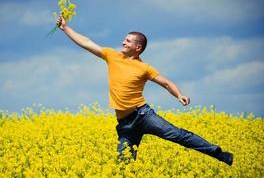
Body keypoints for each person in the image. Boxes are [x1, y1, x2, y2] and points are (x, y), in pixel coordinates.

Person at [56, 15, 233, 166]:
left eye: (127, 41)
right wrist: (65, 28)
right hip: (125, 125)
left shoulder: (144, 68)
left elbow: (166, 82)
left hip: (143, 115)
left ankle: (218, 153)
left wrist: (179, 95)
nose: (122, 42)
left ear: (137, 47)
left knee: (177, 135)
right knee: (123, 164)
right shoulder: (112, 56)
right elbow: (86, 42)